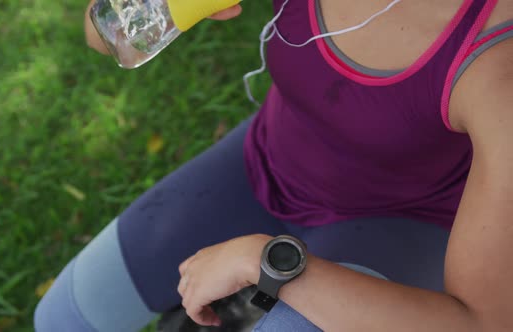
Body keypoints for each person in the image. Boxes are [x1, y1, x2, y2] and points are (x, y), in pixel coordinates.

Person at [34, 0, 513, 331]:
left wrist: (261, 262)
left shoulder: (497, 62)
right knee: (61, 319)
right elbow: (107, 35)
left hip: (402, 225)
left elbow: (479, 322)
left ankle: (255, 301)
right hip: (262, 162)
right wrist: (139, 12)